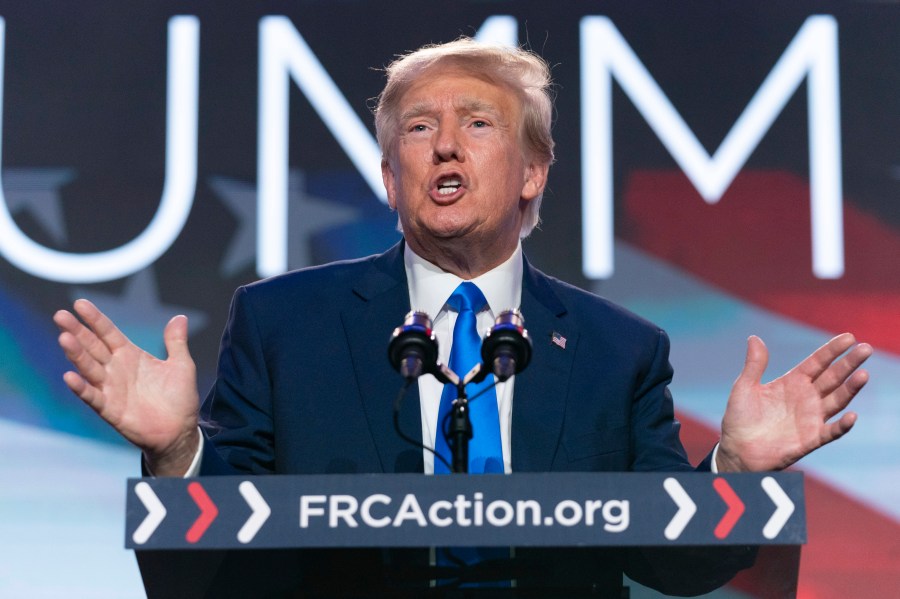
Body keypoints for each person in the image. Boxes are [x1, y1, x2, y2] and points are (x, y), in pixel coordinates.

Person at [54, 39, 872, 597]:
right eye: (419, 129)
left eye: (476, 124)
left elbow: (671, 563)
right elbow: (213, 576)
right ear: (390, 175)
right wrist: (176, 451)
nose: (445, 146)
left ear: (532, 171)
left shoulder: (617, 350)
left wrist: (735, 470)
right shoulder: (283, 324)